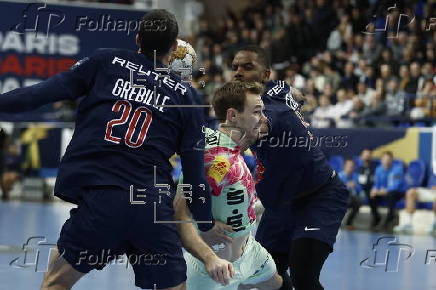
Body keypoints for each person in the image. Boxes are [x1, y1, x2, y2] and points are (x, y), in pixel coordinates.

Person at [0, 10, 233, 290]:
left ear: (137, 39)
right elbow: (195, 177)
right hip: (151, 207)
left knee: (56, 282)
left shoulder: (105, 61)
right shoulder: (186, 96)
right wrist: (206, 223)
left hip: (102, 201)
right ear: (173, 49)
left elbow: (39, 94)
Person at [231, 45, 349, 290]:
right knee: (261, 275)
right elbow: (295, 92)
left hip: (319, 196)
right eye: (235, 67)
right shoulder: (278, 88)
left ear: (265, 74)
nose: (238, 72)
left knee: (303, 273)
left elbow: (258, 130)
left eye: (247, 67)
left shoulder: (271, 112)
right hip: (281, 205)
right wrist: (298, 97)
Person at [181, 82, 283, 290]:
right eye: (257, 112)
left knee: (278, 284)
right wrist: (206, 226)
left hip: (250, 253)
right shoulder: (218, 158)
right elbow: (179, 212)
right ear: (233, 116)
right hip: (215, 269)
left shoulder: (232, 151)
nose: (264, 119)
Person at [370, 151, 407, 230]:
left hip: (398, 192)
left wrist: (385, 191)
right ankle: (376, 218)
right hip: (383, 192)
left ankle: (390, 218)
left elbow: (395, 186)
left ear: (392, 160)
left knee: (391, 194)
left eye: (388, 159)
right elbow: (377, 184)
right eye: (384, 159)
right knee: (372, 196)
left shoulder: (398, 169)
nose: (386, 161)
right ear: (381, 160)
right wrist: (374, 189)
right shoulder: (378, 169)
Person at [356, 149, 378, 228]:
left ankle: (376, 219)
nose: (367, 158)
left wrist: (375, 189)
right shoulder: (357, 168)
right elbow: (356, 181)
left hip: (371, 190)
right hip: (359, 190)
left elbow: (377, 181)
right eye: (365, 156)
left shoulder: (375, 168)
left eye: (368, 156)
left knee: (372, 196)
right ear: (361, 157)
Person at [339, 159, 362, 229]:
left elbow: (360, 189)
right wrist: (347, 185)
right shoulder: (339, 176)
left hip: (352, 198)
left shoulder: (356, 176)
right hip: (341, 198)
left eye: (352, 166)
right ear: (344, 166)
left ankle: (349, 222)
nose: (350, 168)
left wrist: (355, 185)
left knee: (358, 202)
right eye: (348, 166)